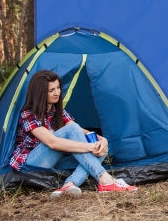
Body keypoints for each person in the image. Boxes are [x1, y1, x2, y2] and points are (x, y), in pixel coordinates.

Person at [10, 69, 138, 197]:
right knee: (76, 133)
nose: (57, 93)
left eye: (58, 88)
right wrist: (89, 147)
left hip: (55, 163)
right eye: (51, 90)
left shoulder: (57, 111)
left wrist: (101, 140)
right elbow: (52, 142)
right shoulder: (28, 113)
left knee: (101, 150)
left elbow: (80, 130)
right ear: (40, 93)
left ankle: (69, 185)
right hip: (32, 164)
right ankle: (105, 179)